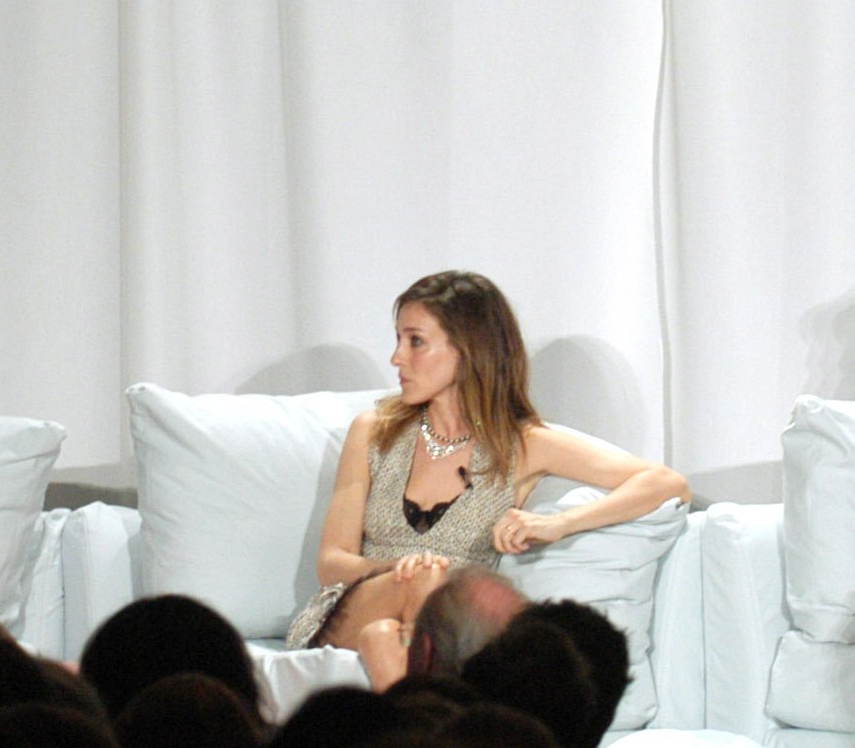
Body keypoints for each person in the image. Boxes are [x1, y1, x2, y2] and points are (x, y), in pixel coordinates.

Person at [288, 271, 687, 681]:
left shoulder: (525, 444)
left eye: (416, 342)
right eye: (399, 340)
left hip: (456, 626)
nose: (397, 358)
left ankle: (417, 718)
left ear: (468, 349)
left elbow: (666, 484)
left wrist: (558, 524)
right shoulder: (373, 431)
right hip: (352, 607)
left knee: (383, 639)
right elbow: (331, 563)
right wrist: (402, 567)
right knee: (417, 588)